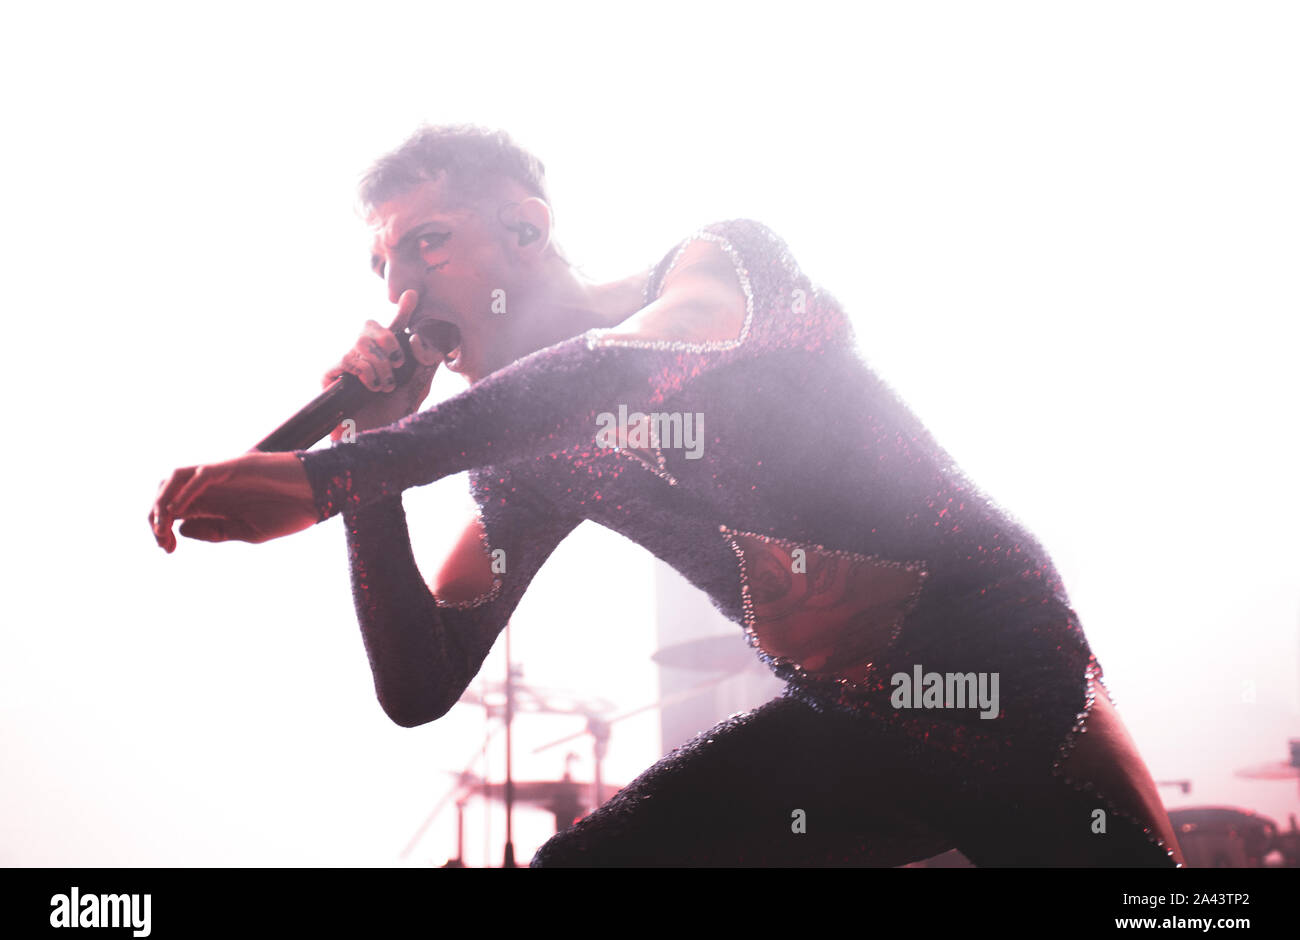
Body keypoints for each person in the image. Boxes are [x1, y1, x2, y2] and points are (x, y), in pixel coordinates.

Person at [150, 125, 1184, 867]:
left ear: (526, 227)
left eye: (426, 242)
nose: (398, 295)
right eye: (381, 265)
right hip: (854, 733)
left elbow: (618, 366)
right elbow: (420, 685)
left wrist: (333, 480)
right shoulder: (522, 465)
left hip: (1013, 688)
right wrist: (370, 461)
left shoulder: (718, 269)